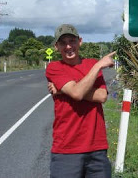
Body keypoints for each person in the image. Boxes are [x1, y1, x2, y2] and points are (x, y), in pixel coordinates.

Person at [46, 24, 116, 178]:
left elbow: (102, 96)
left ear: (80, 42)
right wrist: (99, 65)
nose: (68, 46)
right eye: (63, 43)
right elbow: (77, 93)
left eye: (72, 41)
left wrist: (65, 90)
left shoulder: (90, 64)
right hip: (66, 150)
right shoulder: (54, 67)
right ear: (56, 46)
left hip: (97, 148)